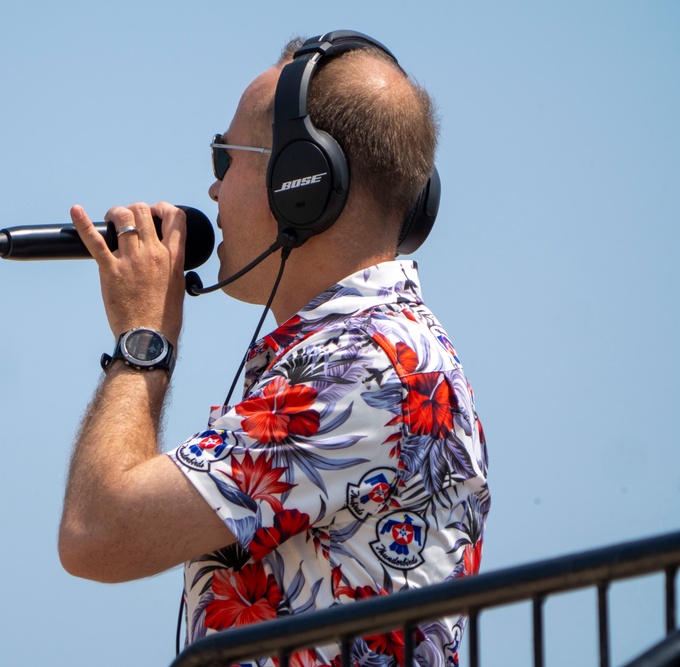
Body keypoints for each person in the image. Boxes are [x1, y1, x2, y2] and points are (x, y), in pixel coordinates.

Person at [58, 32, 489, 667]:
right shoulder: (371, 353)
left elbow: (98, 533)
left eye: (225, 159)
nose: (212, 192)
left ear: (302, 181)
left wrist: (141, 339)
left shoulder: (364, 368)